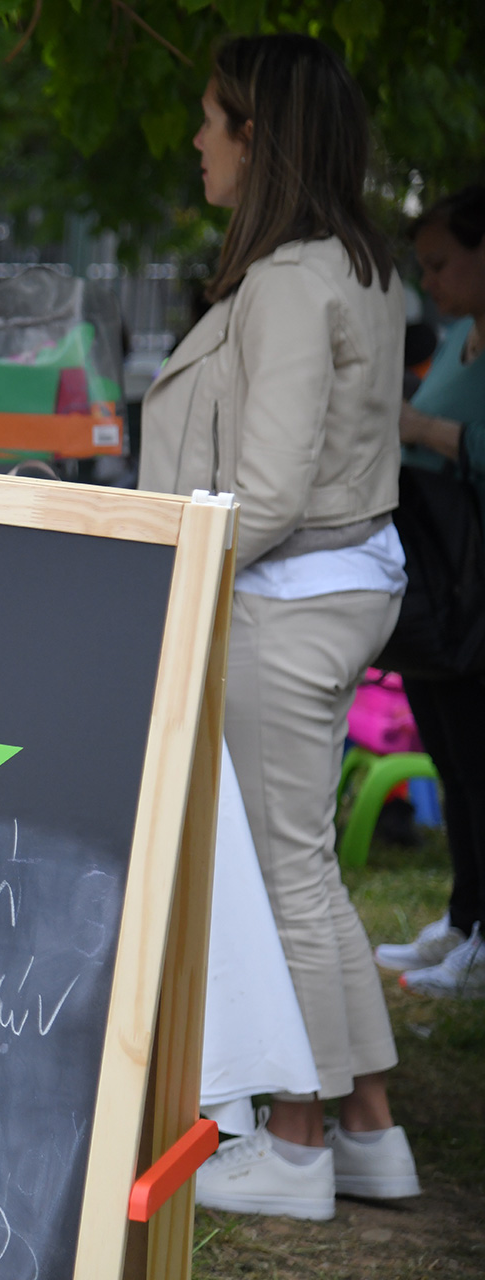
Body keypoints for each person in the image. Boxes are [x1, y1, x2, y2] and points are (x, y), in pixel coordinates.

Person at [140, 34, 419, 1219]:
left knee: (284, 877)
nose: (196, 140)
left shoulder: (295, 281)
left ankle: (297, 1144)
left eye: (212, 120)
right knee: (305, 869)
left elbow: (270, 486)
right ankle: (366, 1130)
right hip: (324, 589)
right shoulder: (356, 267)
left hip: (287, 598)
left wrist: (167, 579)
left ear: (256, 138)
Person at [379, 186, 485, 995]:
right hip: (440, 585)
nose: (431, 281)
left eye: (442, 263)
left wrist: (420, 430)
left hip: (471, 587)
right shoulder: (457, 339)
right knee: (451, 757)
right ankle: (465, 915)